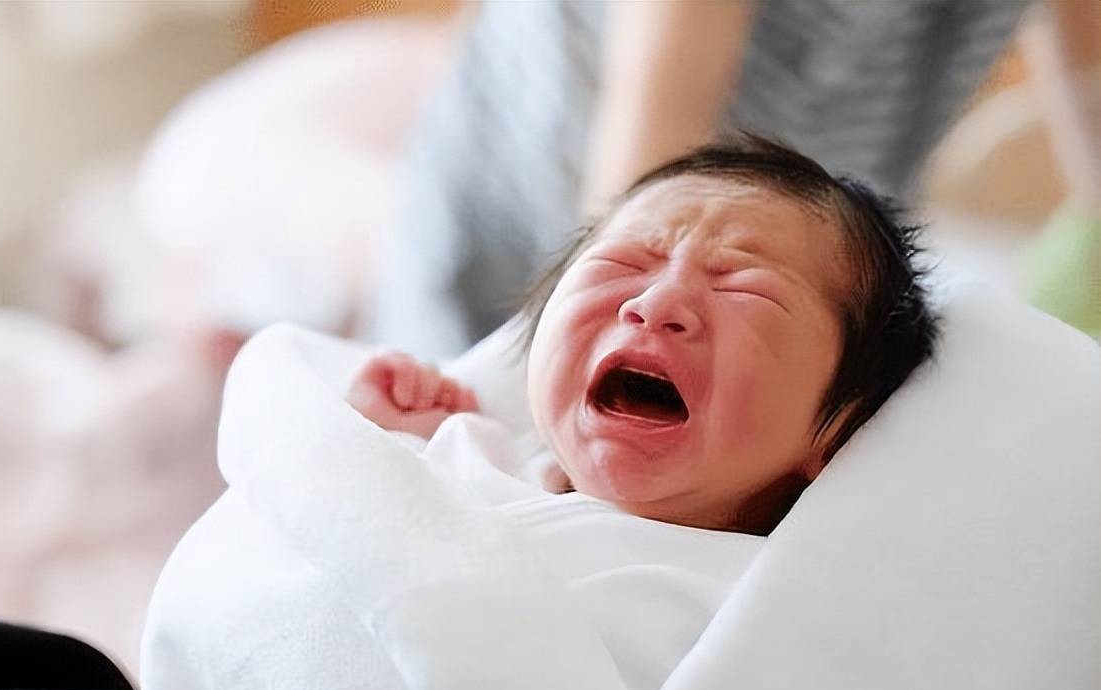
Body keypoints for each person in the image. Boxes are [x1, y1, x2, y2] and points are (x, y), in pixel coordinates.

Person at [367, 0, 1028, 358]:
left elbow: (1089, 83)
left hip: (817, 194)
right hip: (573, 176)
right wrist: (597, 335)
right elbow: (658, 113)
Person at [349, 136, 937, 535]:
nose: (656, 304)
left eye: (745, 289)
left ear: (839, 428)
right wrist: (393, 438)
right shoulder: (483, 461)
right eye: (625, 263)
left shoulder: (766, 602)